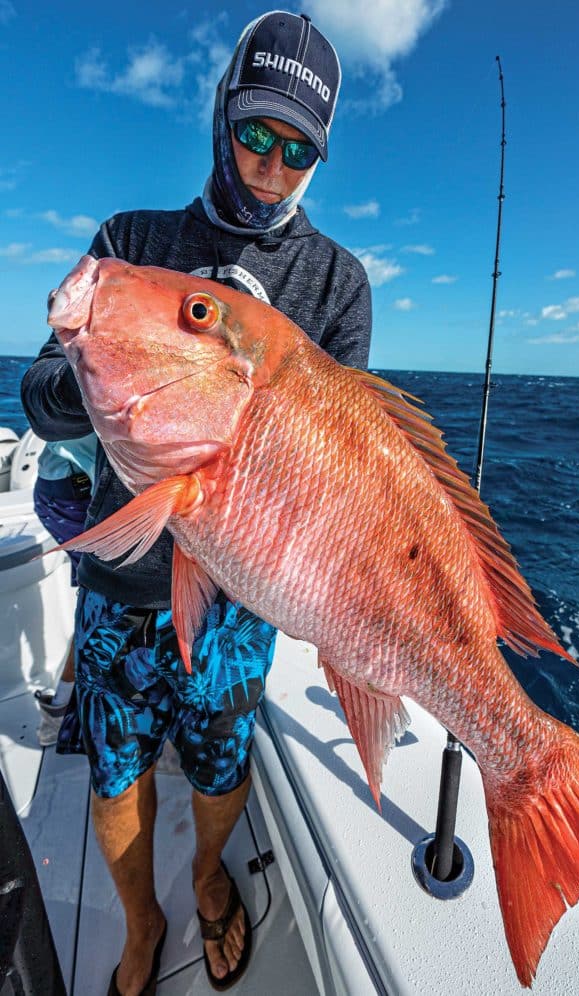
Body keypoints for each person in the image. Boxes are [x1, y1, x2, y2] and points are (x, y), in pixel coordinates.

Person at [21, 11, 371, 994]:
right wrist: (80, 375)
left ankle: (209, 878)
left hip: (239, 593)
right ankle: (143, 924)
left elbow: (341, 463)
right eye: (256, 130)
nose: (269, 162)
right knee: (113, 773)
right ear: (224, 113)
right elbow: (43, 397)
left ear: (318, 156)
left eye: (296, 148)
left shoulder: (338, 283)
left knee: (220, 765)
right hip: (120, 580)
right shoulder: (131, 241)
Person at [32, 434, 97, 746]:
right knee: (102, 603)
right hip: (72, 494)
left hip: (64, 489)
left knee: (98, 604)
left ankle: (58, 710)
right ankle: (58, 715)